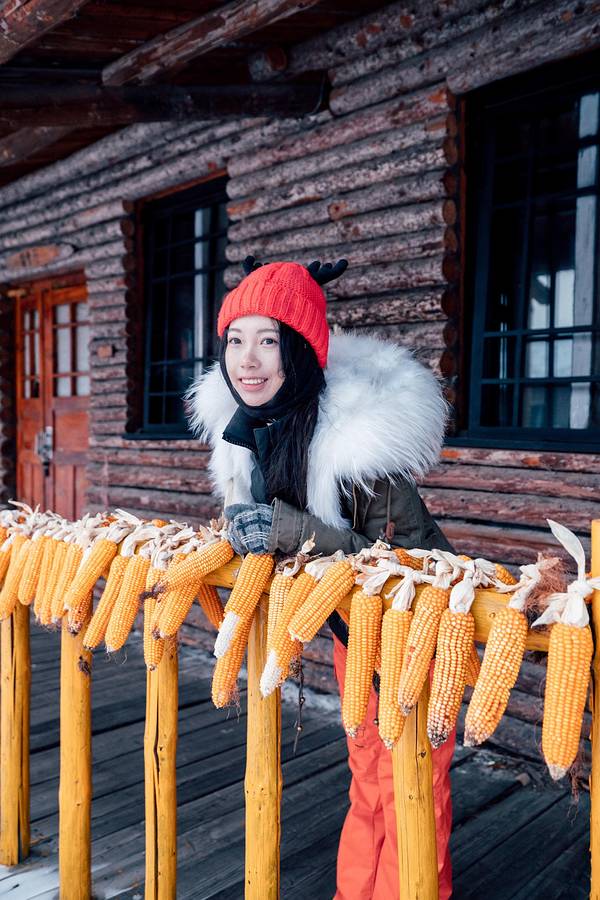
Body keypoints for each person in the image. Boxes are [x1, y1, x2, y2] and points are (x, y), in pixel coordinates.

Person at [189, 257, 455, 900]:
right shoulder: (252, 429)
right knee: (368, 773)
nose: (248, 360)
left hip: (412, 629)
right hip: (350, 631)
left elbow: (407, 565)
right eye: (235, 340)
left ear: (301, 351)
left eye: (269, 341)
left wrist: (288, 530)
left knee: (412, 780)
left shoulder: (359, 447)